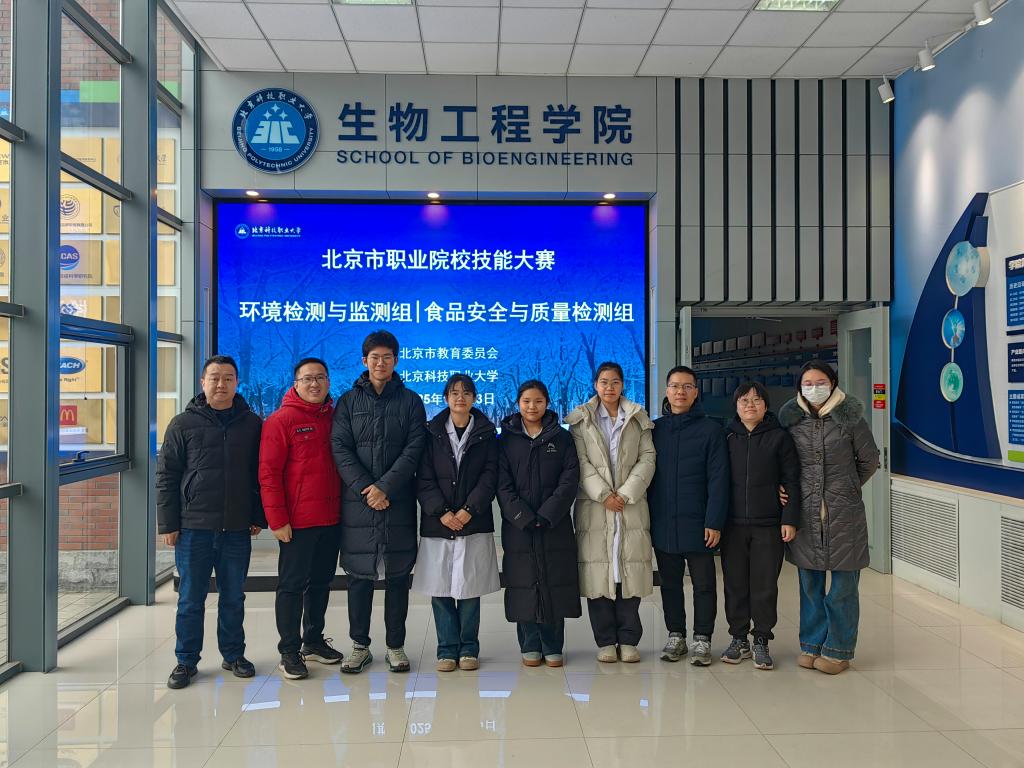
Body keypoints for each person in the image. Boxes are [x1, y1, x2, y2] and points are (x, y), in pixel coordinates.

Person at [156, 355, 264, 689]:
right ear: (203, 382)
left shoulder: (252, 424)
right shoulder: (182, 424)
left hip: (236, 528)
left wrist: (257, 516)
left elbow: (260, 475)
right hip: (194, 528)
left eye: (228, 378)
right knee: (191, 598)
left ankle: (233, 655)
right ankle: (186, 661)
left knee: (233, 597)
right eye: (214, 378)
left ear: (237, 382)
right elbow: (167, 475)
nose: (221, 384)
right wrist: (168, 523)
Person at [331, 330, 427, 674]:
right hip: (358, 504)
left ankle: (395, 646)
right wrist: (367, 489)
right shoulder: (347, 402)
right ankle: (359, 646)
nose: (381, 363)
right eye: (375, 357)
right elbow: (340, 448)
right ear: (364, 361)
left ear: (396, 361)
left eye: (387, 357)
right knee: (359, 578)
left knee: (398, 578)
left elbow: (414, 448)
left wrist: (385, 487)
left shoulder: (411, 401)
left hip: (397, 501)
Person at [779, 360, 879, 675]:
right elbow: (784, 463)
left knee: (843, 586)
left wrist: (847, 487)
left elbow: (869, 460)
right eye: (807, 383)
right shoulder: (791, 420)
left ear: (833, 383)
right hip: (806, 512)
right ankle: (811, 644)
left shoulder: (851, 418)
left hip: (844, 513)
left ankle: (838, 650)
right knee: (810, 585)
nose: (814, 388)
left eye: (820, 382)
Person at [259, 357, 343, 680]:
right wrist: (277, 520)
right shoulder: (281, 421)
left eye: (320, 377)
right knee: (292, 586)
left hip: (331, 519)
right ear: (296, 383)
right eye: (307, 378)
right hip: (297, 522)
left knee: (321, 582)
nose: (314, 384)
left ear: (328, 382)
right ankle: (289, 651)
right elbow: (268, 474)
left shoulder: (335, 418)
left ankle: (314, 640)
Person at [566, 362, 656, 664]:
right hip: (595, 506)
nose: (609, 387)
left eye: (615, 381)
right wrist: (604, 495)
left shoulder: (638, 417)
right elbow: (580, 462)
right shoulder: (581, 420)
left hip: (631, 504)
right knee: (598, 573)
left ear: (622, 384)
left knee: (629, 568)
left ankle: (628, 639)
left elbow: (648, 458)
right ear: (595, 384)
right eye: (604, 381)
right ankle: (605, 640)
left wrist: (627, 493)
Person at [414, 373, 500, 672]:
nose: (460, 397)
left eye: (466, 392)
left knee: (469, 588)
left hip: (473, 520)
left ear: (475, 398)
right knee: (440, 588)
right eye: (454, 392)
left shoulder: (487, 433)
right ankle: (446, 649)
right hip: (438, 522)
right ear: (445, 398)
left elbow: (490, 476)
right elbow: (423, 477)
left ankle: (469, 648)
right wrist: (441, 511)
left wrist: (468, 510)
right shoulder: (431, 433)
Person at [648, 366, 729, 666]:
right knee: (670, 584)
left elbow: (719, 480)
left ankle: (702, 638)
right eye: (674, 386)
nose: (680, 392)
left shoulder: (711, 430)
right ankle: (676, 635)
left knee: (704, 584)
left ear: (696, 392)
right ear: (666, 390)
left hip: (700, 522)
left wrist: (714, 521)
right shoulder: (654, 430)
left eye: (687, 386)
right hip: (663, 521)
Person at [497, 380, 581, 668]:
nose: (532, 407)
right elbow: (502, 484)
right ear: (518, 403)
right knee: (523, 582)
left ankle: (553, 644)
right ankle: (530, 643)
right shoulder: (505, 440)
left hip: (553, 524)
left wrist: (546, 514)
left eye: (538, 401)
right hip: (518, 526)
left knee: (554, 581)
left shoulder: (562, 438)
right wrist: (522, 516)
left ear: (547, 403)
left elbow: (570, 479)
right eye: (526, 401)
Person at [720, 381, 802, 671]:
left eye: (756, 400)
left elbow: (791, 480)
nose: (750, 405)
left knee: (765, 585)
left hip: (768, 524)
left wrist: (789, 518)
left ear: (766, 406)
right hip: (732, 525)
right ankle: (738, 637)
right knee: (735, 584)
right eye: (744, 400)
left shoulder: (780, 437)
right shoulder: (727, 436)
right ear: (736, 405)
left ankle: (762, 639)